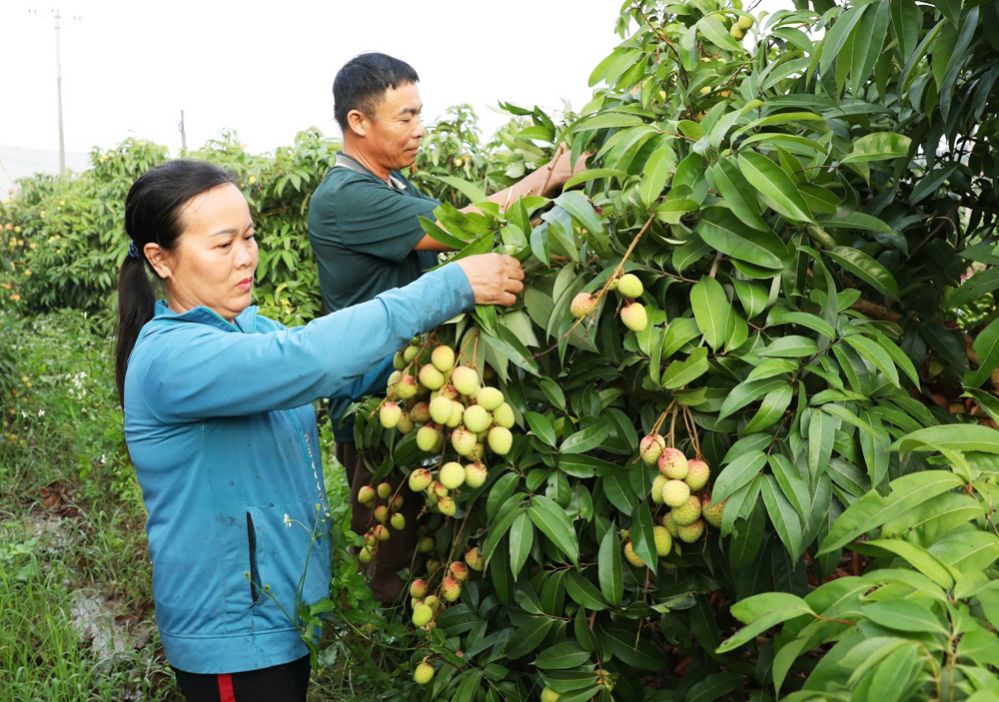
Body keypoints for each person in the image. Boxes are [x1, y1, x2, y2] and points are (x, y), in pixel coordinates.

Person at [114, 158, 524, 701]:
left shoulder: (250, 330)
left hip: (280, 618)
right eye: (223, 244)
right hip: (233, 633)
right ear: (160, 259)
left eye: (249, 237)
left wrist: (438, 353)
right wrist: (448, 288)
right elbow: (309, 358)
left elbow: (343, 368)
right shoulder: (172, 358)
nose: (246, 256)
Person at [307, 52, 585, 603]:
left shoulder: (393, 184)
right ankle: (390, 641)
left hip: (419, 388)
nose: (419, 128)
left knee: (428, 534)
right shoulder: (345, 198)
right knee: (389, 549)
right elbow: (464, 227)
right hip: (375, 402)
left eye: (420, 114)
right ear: (358, 122)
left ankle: (428, 627)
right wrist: (551, 176)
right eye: (405, 117)